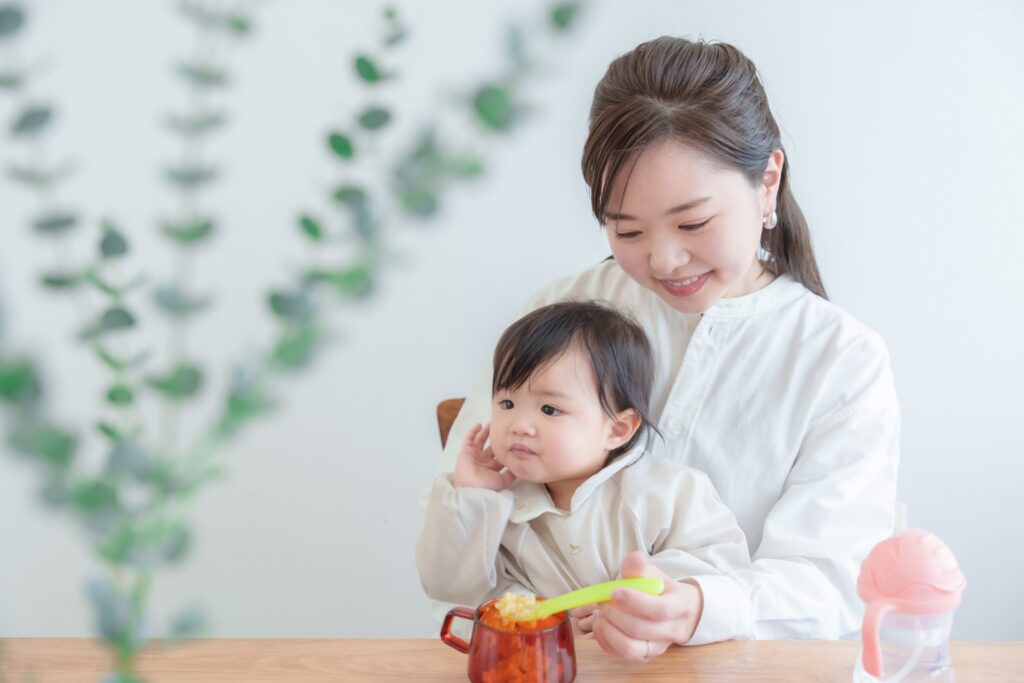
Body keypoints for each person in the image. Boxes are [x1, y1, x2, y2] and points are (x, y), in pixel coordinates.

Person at [429, 36, 900, 661]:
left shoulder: (838, 360)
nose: (664, 259)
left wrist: (701, 606)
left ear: (767, 183)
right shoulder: (559, 316)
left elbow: (832, 583)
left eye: (693, 223)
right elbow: (458, 554)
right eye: (627, 230)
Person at [416, 301, 751, 648]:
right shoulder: (497, 501)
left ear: (617, 429)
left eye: (549, 409)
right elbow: (449, 586)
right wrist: (471, 497)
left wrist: (638, 593)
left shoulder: (669, 491)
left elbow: (721, 566)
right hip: (542, 665)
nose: (519, 425)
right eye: (506, 404)